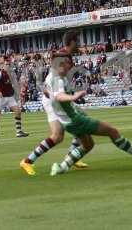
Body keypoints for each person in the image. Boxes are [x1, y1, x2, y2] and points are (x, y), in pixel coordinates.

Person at [21, 53, 132, 176]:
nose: (71, 65)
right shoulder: (59, 80)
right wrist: (73, 97)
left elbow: (46, 91)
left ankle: (62, 167)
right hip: (75, 120)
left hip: (67, 122)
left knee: (88, 145)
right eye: (68, 63)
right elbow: (60, 96)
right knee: (112, 131)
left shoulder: (51, 77)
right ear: (61, 64)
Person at [20, 31, 88, 175]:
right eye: (78, 41)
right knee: (58, 135)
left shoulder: (65, 55)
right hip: (53, 99)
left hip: (57, 96)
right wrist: (52, 91)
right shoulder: (61, 55)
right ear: (72, 41)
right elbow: (52, 76)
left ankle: (72, 158)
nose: (80, 44)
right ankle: (27, 161)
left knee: (80, 121)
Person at [0, 56, 29, 139]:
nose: (8, 65)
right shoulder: (0, 73)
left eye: (9, 64)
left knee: (18, 111)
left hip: (9, 96)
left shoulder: (11, 73)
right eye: (7, 64)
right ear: (4, 65)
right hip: (1, 97)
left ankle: (19, 132)